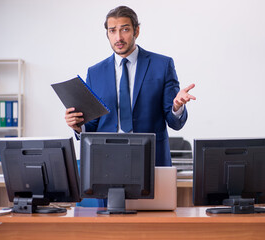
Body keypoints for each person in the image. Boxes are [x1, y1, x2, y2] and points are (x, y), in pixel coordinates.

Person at [65, 6, 195, 166]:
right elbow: (92, 126)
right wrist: (78, 126)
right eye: (112, 31)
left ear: (136, 31)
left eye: (125, 29)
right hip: (106, 160)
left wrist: (176, 107)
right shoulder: (95, 73)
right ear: (107, 34)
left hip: (150, 159)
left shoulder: (162, 65)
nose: (118, 37)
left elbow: (175, 123)